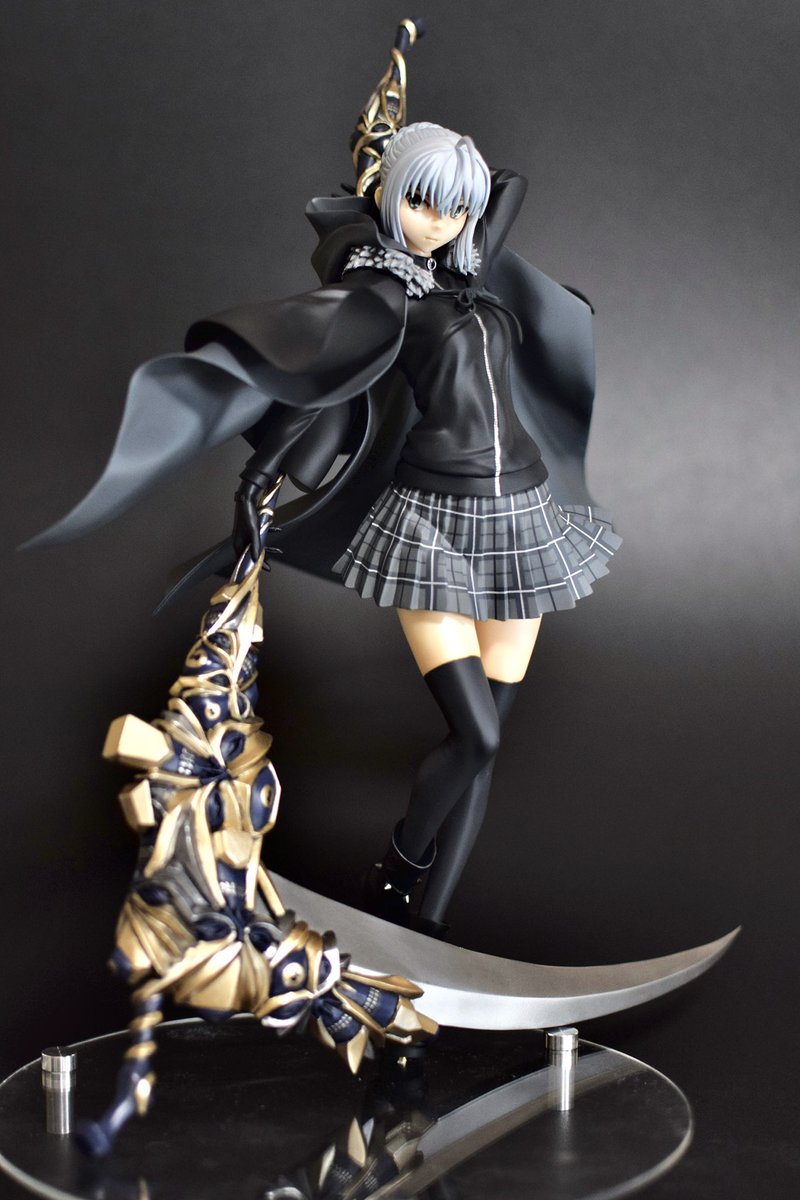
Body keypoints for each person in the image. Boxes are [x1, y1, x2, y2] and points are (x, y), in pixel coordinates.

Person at [29, 20, 620, 940]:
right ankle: (399, 876)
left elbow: (507, 182)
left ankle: (428, 924)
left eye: (455, 211)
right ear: (389, 201)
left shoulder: (468, 268)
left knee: (483, 748)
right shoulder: (382, 294)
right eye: (423, 205)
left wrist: (433, 178)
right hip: (433, 522)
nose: (442, 223)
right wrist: (263, 475)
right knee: (476, 733)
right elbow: (328, 384)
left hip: (523, 520)